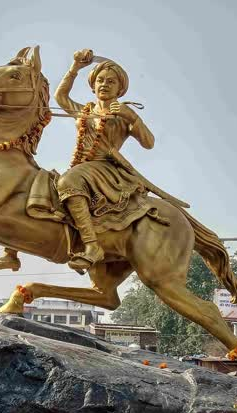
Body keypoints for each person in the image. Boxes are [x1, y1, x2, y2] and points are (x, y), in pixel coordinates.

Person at [54, 49, 183, 270]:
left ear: (120, 88)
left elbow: (149, 142)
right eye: (100, 80)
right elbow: (61, 97)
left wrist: (131, 117)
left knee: (67, 182)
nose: (104, 84)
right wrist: (74, 68)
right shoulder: (85, 111)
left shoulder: (123, 113)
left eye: (111, 81)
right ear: (93, 85)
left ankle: (92, 246)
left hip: (106, 167)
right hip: (81, 167)